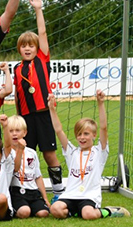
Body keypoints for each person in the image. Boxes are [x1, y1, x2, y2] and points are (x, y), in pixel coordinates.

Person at [14, 0, 64, 201]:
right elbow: (17, 96)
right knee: (26, 155)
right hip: (26, 119)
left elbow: (42, 33)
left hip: (43, 116)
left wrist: (38, 9)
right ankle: (28, 192)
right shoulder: (17, 69)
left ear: (37, 48)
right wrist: (18, 118)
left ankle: (59, 192)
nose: (27, 48)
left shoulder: (42, 60)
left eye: (31, 46)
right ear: (19, 49)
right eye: (23, 46)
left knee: (49, 154)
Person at [48, 91, 129, 219]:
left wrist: (100, 103)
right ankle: (74, 212)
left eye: (86, 134)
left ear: (94, 135)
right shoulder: (72, 152)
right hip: (70, 195)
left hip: (89, 196)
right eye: (79, 134)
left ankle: (108, 211)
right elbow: (58, 130)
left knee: (88, 214)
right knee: (55, 209)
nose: (82, 137)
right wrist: (52, 109)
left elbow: (103, 128)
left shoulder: (99, 152)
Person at [6, 115, 50, 218]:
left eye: (18, 130)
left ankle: (34, 206)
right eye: (11, 131)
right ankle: (16, 209)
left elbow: (37, 177)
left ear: (25, 132)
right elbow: (15, 169)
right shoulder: (7, 153)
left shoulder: (32, 153)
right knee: (24, 212)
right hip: (17, 191)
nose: (14, 134)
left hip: (33, 192)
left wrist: (45, 198)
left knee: (43, 213)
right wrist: (20, 150)